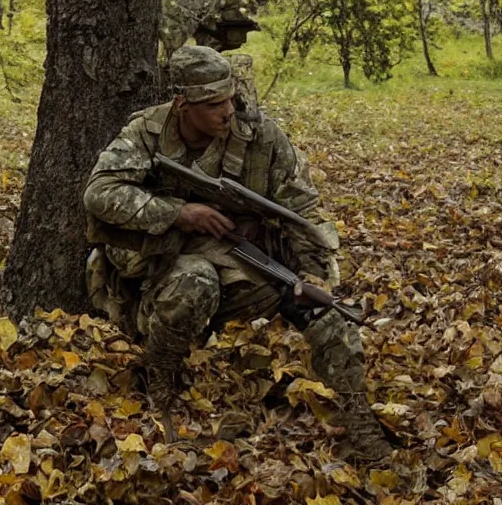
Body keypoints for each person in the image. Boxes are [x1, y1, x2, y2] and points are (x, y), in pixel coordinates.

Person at [83, 46, 390, 459]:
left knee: (328, 314)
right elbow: (99, 194)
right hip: (168, 261)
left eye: (229, 99)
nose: (226, 112)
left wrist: (314, 273)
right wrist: (179, 213)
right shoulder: (147, 132)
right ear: (182, 105)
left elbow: (303, 210)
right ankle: (162, 382)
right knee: (195, 282)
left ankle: (358, 418)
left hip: (249, 262)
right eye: (213, 104)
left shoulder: (260, 135)